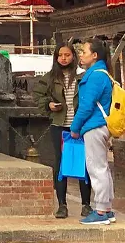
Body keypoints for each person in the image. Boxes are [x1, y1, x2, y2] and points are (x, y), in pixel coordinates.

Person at [35, 42, 92, 219]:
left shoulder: (83, 77)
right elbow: (38, 96)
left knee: (84, 164)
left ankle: (86, 204)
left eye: (67, 55)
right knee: (60, 164)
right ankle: (62, 205)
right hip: (59, 126)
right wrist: (48, 105)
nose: (64, 58)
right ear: (56, 57)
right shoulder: (50, 78)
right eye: (60, 55)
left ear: (73, 56)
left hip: (81, 127)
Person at [69, 37, 115, 226]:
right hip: (100, 125)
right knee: (102, 167)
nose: (80, 55)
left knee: (96, 168)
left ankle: (101, 210)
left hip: (94, 126)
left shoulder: (95, 76)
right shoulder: (102, 73)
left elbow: (86, 106)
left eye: (84, 52)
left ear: (94, 56)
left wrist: (75, 127)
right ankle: (107, 208)